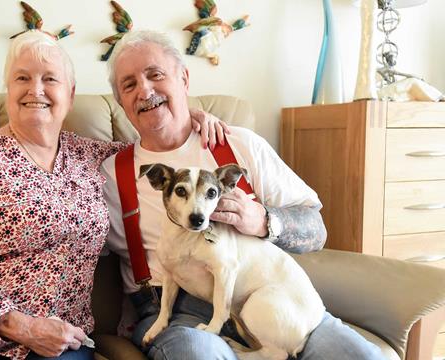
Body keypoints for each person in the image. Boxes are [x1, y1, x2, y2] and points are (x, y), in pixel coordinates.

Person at [0, 30, 229, 360]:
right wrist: (24, 327)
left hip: (63, 340)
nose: (36, 90)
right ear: (9, 89)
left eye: (50, 79)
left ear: (71, 94)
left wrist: (188, 116)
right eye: (23, 78)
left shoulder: (92, 157)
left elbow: (153, 146)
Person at [100, 30, 387, 360]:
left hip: (272, 297)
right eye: (129, 85)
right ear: (121, 102)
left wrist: (265, 220)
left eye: (155, 75)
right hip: (179, 313)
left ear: (184, 78)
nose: (145, 90)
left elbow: (317, 230)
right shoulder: (110, 172)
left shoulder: (239, 144)